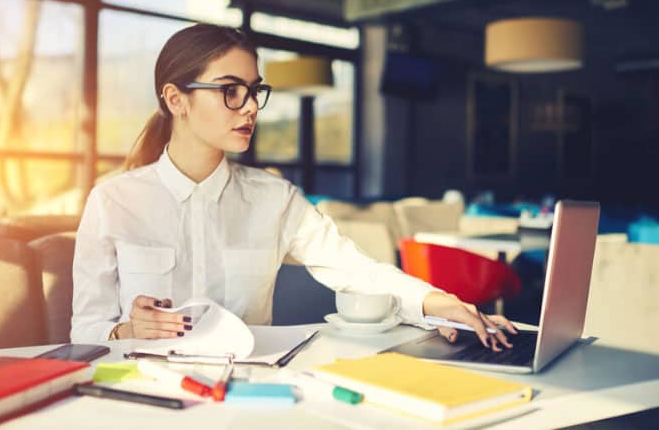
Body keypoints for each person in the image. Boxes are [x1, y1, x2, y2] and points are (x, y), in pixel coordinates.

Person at [70, 23, 517, 351]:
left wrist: (439, 301)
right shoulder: (113, 203)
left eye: (254, 91)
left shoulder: (275, 200)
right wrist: (127, 331)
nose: (249, 109)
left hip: (249, 394)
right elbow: (85, 331)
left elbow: (356, 271)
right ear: (175, 100)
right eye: (230, 91)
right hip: (141, 398)